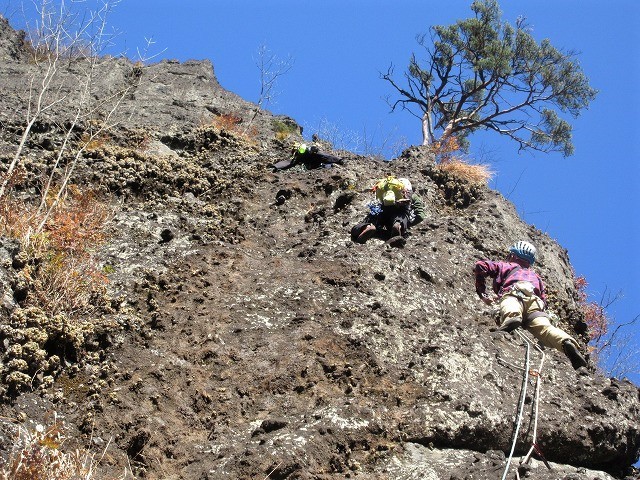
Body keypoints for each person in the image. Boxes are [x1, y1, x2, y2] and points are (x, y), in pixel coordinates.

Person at [473, 241, 588, 370]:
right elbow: (543, 299)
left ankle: (512, 317)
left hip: (514, 294)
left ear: (512, 255)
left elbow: (480, 265)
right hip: (536, 303)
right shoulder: (536, 277)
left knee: (510, 305)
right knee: (545, 328)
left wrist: (482, 293)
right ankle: (565, 342)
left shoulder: (506, 266)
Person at [351, 175, 425, 245]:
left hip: (383, 210)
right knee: (401, 217)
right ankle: (399, 225)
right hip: (399, 213)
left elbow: (377, 202)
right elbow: (420, 215)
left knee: (374, 217)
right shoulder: (412, 195)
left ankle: (366, 227)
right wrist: (407, 224)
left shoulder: (388, 191)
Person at [272, 143, 344, 171]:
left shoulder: (298, 156)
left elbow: (289, 163)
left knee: (321, 157)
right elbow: (289, 163)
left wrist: (276, 167)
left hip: (313, 163)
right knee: (322, 159)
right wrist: (276, 167)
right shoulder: (297, 157)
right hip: (312, 165)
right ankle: (335, 163)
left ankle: (336, 162)